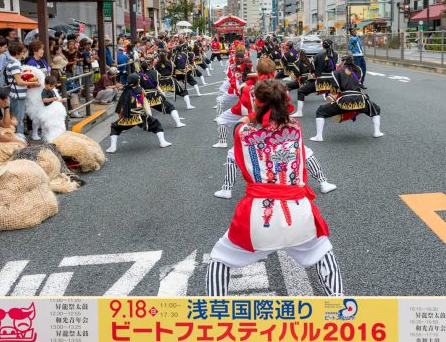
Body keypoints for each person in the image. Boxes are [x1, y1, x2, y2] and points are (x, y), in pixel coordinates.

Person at [205, 79, 342, 295]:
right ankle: (340, 308)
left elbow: (242, 122)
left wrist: (254, 112)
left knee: (220, 259)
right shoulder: (295, 129)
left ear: (257, 103)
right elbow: (277, 123)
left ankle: (214, 313)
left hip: (258, 217)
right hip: (298, 211)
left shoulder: (243, 133)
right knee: (324, 251)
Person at [311, 54, 383, 141]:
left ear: (343, 61)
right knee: (376, 109)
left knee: (321, 111)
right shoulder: (359, 70)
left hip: (344, 101)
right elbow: (359, 83)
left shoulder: (336, 72)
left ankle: (319, 136)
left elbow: (335, 89)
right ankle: (377, 132)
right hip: (360, 100)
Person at [105, 75, 172, 153]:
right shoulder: (141, 90)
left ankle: (112, 147)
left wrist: (121, 117)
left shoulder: (126, 91)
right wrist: (149, 115)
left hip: (128, 117)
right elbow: (145, 103)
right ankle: (163, 142)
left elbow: (121, 107)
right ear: (138, 81)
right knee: (156, 125)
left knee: (115, 127)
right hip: (140, 116)